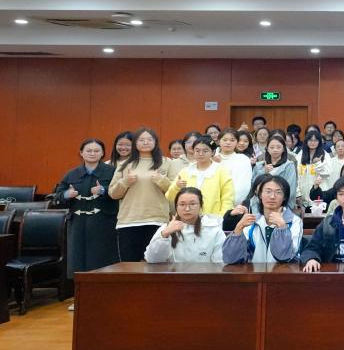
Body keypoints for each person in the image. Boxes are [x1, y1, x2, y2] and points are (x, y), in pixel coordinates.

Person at [52, 138, 119, 304]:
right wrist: (66, 195)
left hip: (104, 223)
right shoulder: (72, 174)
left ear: (103, 154)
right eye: (88, 150)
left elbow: (119, 193)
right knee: (77, 259)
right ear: (81, 153)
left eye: (97, 151)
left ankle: (104, 298)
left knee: (103, 258)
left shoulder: (112, 172)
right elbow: (57, 196)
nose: (92, 153)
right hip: (78, 223)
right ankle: (81, 298)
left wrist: (103, 190)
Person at [107, 127, 175, 261]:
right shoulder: (124, 164)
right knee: (129, 265)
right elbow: (113, 194)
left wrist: (161, 180)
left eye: (149, 139)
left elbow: (175, 191)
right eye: (141, 140)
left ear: (155, 142)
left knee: (156, 264)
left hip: (157, 219)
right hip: (129, 221)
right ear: (135, 143)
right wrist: (125, 182)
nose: (145, 142)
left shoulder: (167, 162)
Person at [222, 175, 304, 264]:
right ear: (260, 194)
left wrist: (282, 227)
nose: (272, 196)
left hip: (284, 271)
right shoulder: (252, 220)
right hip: (255, 272)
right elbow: (231, 258)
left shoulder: (294, 221)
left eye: (278, 192)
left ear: (285, 197)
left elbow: (285, 256)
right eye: (268, 191)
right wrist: (239, 228)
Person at [143, 188, 225, 264]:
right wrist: (165, 234)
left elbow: (220, 262)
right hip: (174, 274)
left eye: (192, 204)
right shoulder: (166, 228)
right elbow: (151, 259)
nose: (187, 209)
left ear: (201, 206)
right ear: (176, 207)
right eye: (182, 204)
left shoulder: (213, 229)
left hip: (205, 274)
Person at [168, 135, 235, 221]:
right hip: (187, 219)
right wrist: (176, 186)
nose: (201, 154)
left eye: (205, 151)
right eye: (197, 150)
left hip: (213, 220)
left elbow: (227, 198)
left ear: (213, 152)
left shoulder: (221, 171)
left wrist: (222, 218)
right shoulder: (186, 171)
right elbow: (170, 197)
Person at [214, 128, 253, 206]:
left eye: (232, 140)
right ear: (218, 141)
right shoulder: (211, 159)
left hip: (234, 204)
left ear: (237, 142)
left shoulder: (243, 159)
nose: (228, 142)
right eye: (225, 140)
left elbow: (244, 186)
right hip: (212, 202)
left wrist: (230, 202)